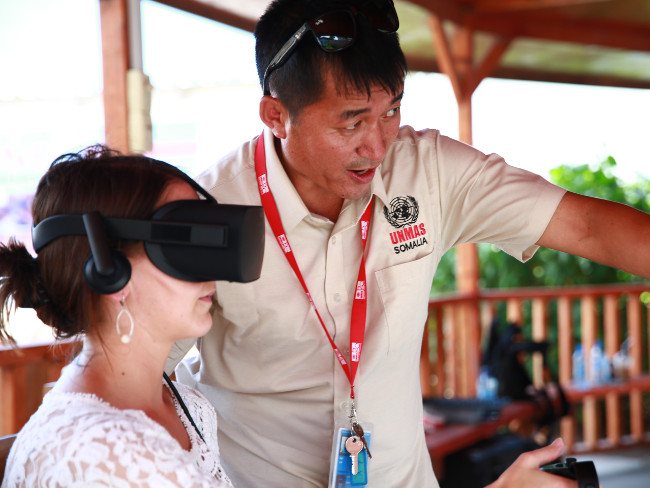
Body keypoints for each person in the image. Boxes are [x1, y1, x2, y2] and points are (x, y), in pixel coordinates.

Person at [167, 0, 650, 486]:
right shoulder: (212, 208)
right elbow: (134, 372)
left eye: (391, 111)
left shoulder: (428, 172)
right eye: (351, 122)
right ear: (276, 115)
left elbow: (585, 225)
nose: (377, 146)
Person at [0, 146, 248, 487]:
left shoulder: (186, 407)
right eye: (182, 246)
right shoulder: (108, 453)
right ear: (110, 272)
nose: (209, 268)